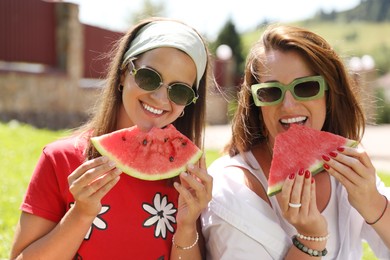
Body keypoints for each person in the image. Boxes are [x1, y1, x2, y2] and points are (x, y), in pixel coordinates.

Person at [10, 17, 213, 260]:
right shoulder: (60, 159)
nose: (160, 98)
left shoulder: (188, 178)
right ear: (123, 73)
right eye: (149, 77)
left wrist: (187, 225)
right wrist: (81, 214)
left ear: (188, 103)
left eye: (179, 90)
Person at [201, 24, 390, 259]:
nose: (288, 105)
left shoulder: (347, 166)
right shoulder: (229, 190)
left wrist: (374, 204)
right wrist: (309, 239)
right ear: (256, 105)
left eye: (307, 87)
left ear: (329, 95)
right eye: (271, 92)